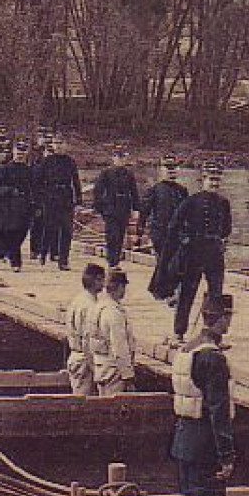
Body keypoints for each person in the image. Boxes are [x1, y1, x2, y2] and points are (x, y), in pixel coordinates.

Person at [169, 293, 237, 496]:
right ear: (223, 319)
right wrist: (226, 456)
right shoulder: (213, 358)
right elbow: (218, 411)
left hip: (184, 443)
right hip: (206, 447)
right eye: (228, 317)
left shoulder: (187, 349)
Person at [167, 162, 232, 344]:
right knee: (187, 293)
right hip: (194, 253)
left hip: (214, 254)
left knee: (216, 295)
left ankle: (213, 335)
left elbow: (227, 228)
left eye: (217, 179)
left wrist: (222, 241)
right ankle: (178, 333)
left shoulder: (223, 203)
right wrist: (185, 241)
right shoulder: (191, 201)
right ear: (203, 179)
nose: (214, 183)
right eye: (211, 179)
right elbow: (174, 225)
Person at [33, 133, 83, 269]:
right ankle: (43, 253)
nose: (59, 146)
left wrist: (78, 201)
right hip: (50, 198)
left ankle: (63, 260)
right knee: (49, 228)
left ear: (66, 145)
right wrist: (41, 198)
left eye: (61, 143)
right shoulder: (47, 161)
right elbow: (38, 182)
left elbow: (76, 181)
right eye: (57, 143)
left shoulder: (70, 161)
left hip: (66, 198)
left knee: (67, 230)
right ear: (53, 145)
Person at [0, 141, 35, 270]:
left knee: (22, 232)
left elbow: (34, 187)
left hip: (24, 206)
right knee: (11, 233)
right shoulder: (5, 169)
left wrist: (35, 203)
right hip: (9, 206)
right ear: (13, 153)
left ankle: (6, 252)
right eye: (18, 153)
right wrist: (9, 190)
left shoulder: (29, 170)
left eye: (22, 153)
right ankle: (16, 263)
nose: (20, 156)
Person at [92, 145, 140, 268]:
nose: (121, 160)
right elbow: (98, 190)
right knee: (112, 235)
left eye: (123, 157)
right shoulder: (106, 173)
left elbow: (134, 192)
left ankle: (116, 259)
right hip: (110, 209)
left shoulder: (128, 174)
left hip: (123, 208)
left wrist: (136, 209)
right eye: (118, 157)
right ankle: (111, 260)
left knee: (120, 236)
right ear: (113, 158)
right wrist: (100, 207)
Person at [92, 268, 137, 396]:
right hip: (114, 370)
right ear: (120, 287)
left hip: (101, 366)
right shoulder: (114, 312)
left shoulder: (98, 307)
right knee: (115, 409)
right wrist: (128, 376)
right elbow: (119, 347)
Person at [64, 263, 107, 396]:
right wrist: (95, 369)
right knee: (84, 403)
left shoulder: (77, 299)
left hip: (74, 355)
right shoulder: (91, 305)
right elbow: (88, 340)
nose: (104, 284)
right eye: (102, 279)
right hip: (84, 360)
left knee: (78, 397)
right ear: (96, 280)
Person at [138, 156, 188, 262]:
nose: (172, 170)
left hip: (178, 234)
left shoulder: (182, 191)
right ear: (161, 170)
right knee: (163, 264)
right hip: (160, 234)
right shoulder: (154, 190)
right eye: (168, 167)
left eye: (174, 167)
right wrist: (140, 231)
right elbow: (144, 211)